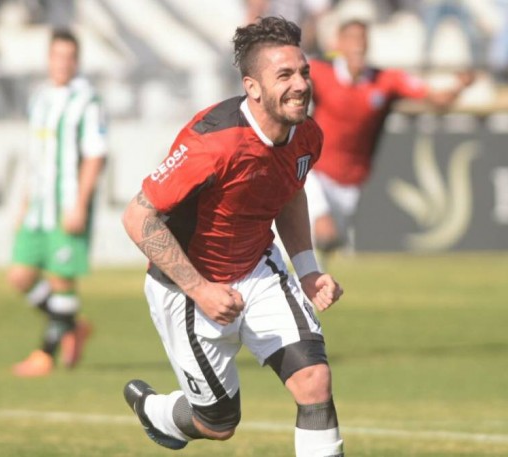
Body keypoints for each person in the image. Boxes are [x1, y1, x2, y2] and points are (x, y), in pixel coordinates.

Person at [121, 16, 345, 457]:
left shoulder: (307, 134)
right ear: (252, 87)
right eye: (285, 75)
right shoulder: (212, 142)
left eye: (303, 72)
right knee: (217, 423)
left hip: (259, 269)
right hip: (188, 286)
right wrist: (200, 289)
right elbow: (137, 217)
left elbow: (290, 190)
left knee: (314, 380)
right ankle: (157, 410)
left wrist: (307, 270)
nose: (301, 85)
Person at [306, 17, 474, 255]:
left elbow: (437, 99)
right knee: (322, 227)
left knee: (327, 248)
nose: (358, 44)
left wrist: (459, 85)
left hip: (351, 181)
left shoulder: (386, 80)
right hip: (314, 171)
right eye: (351, 38)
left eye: (362, 38)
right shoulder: (319, 72)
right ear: (338, 44)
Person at [7, 29, 107, 377]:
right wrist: (24, 203)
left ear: (76, 61)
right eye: (57, 56)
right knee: (20, 275)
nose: (62, 63)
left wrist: (79, 203)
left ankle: (45, 354)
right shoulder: (40, 99)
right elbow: (36, 158)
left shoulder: (87, 101)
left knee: (62, 280)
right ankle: (72, 325)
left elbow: (95, 156)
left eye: (68, 57)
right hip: (38, 206)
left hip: (67, 204)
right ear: (49, 59)